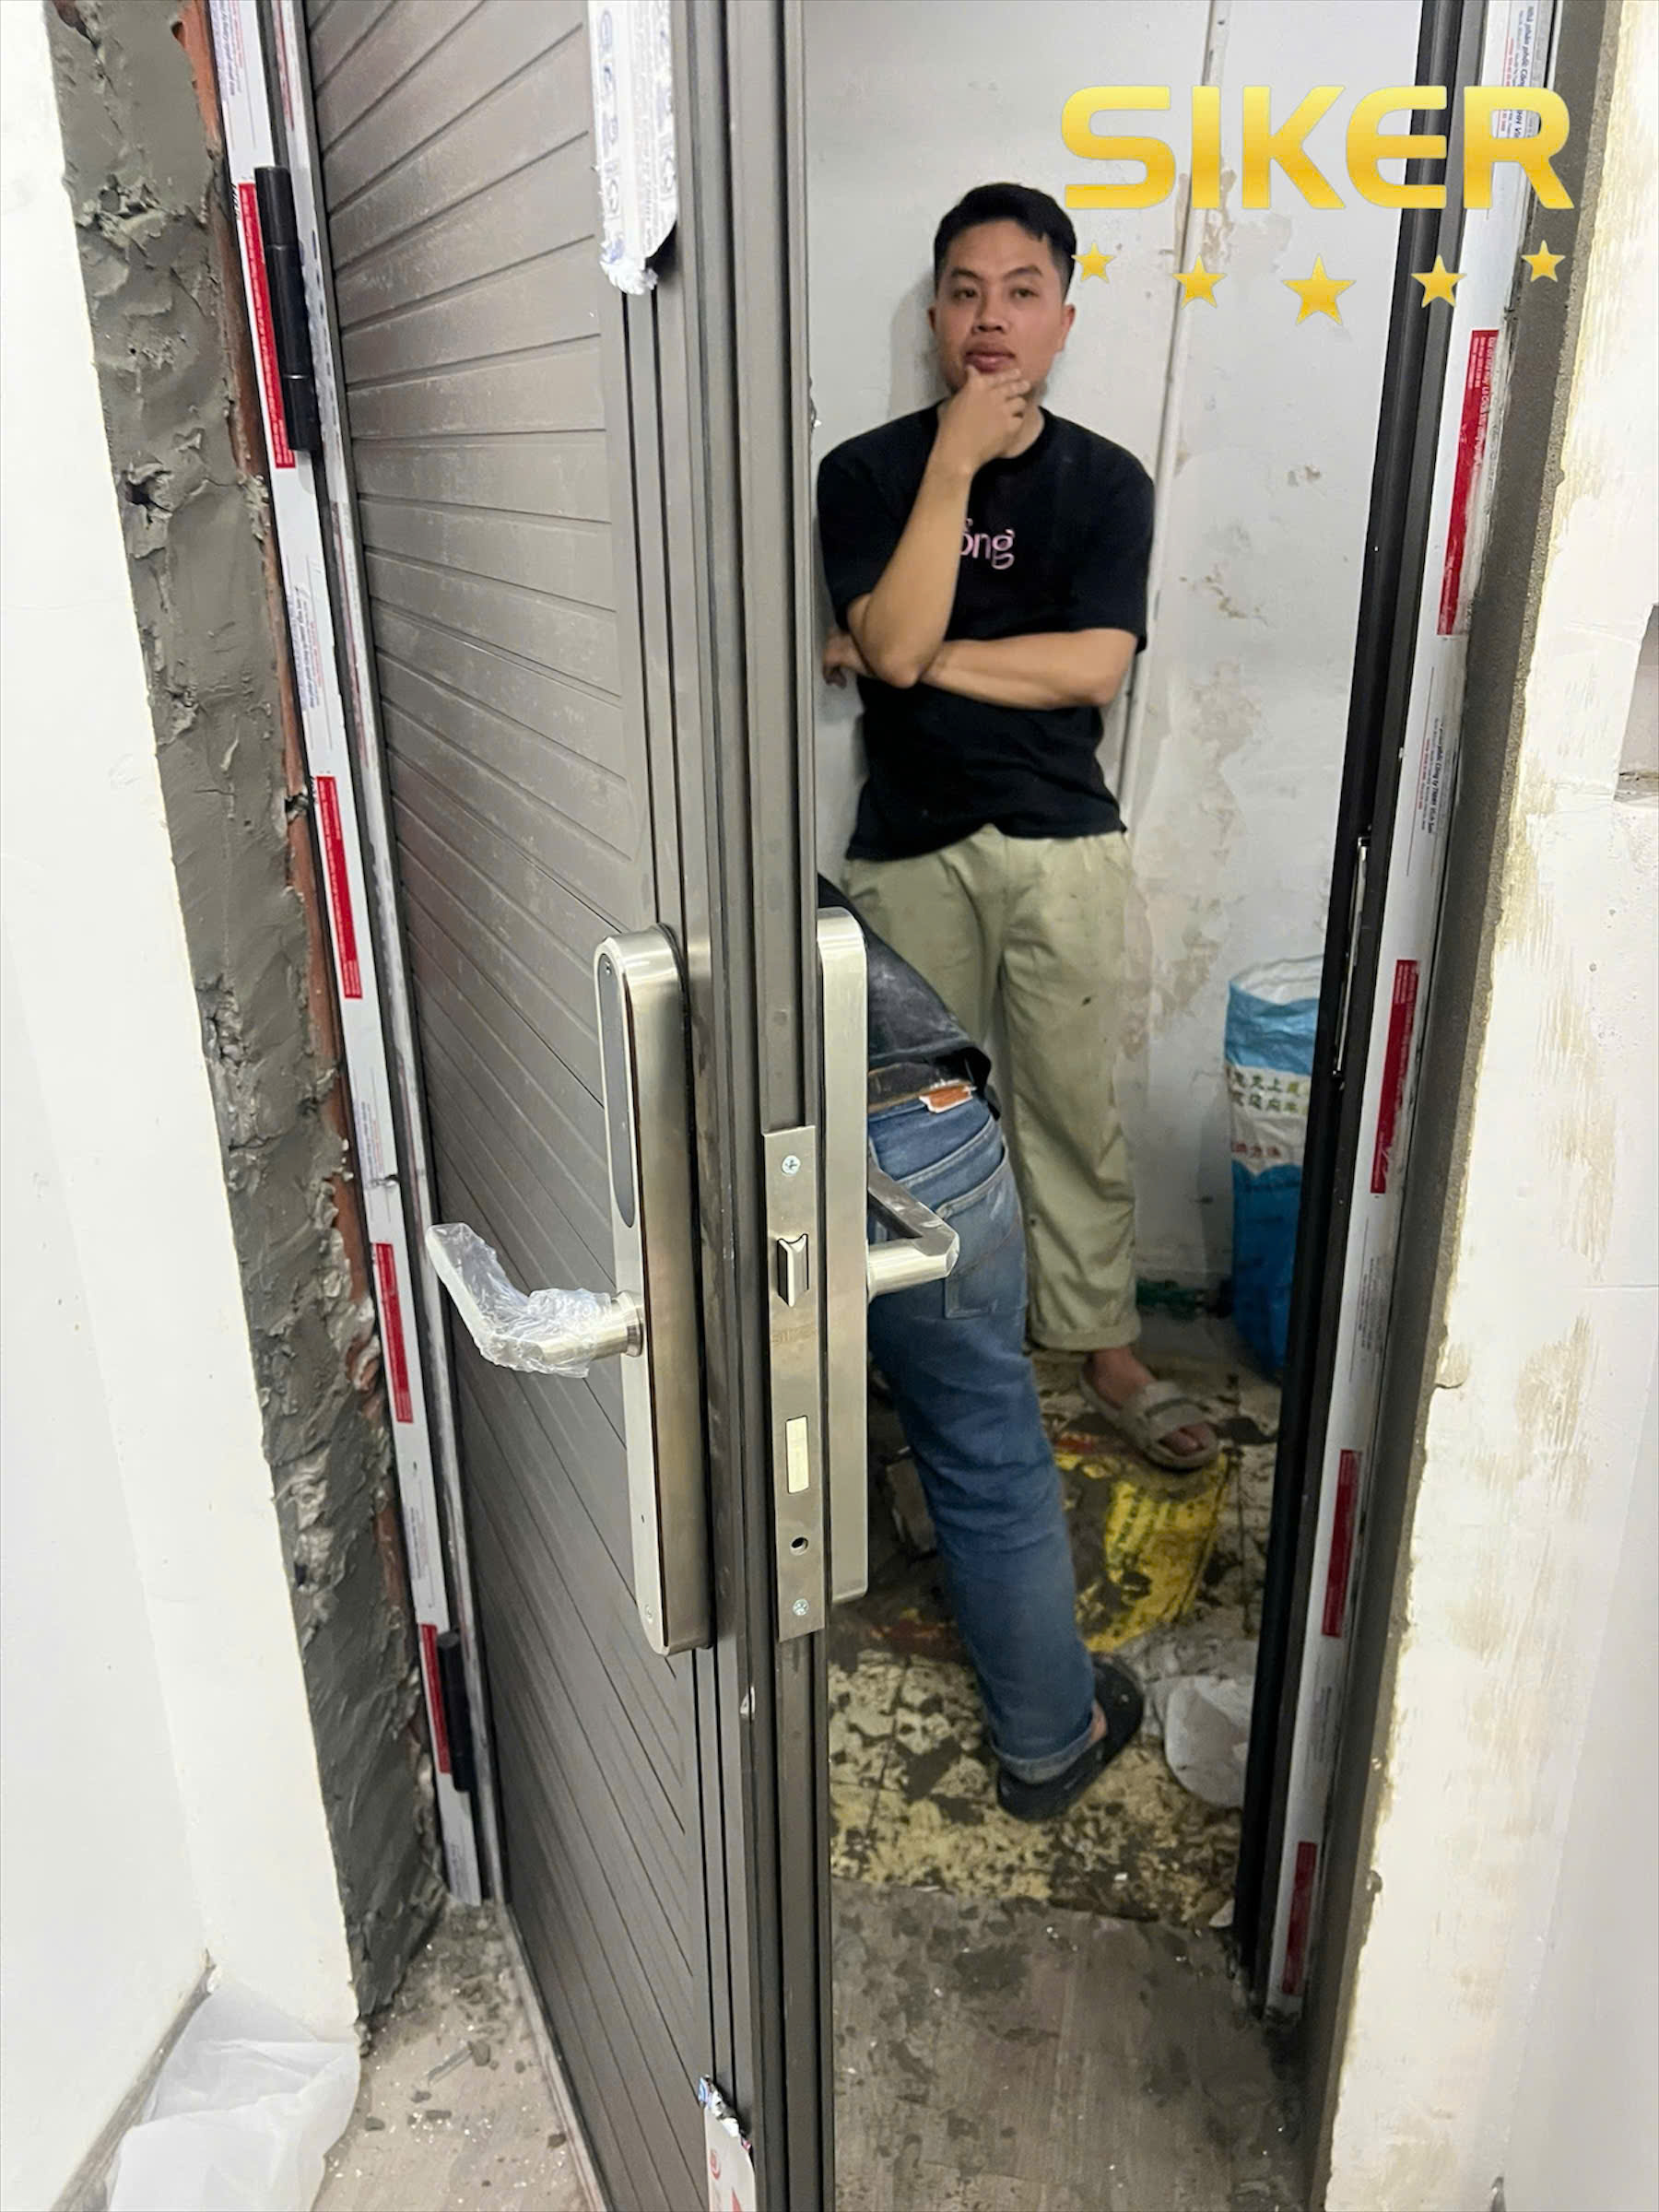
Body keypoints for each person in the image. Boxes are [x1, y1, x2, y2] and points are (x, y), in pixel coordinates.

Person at [818, 182, 1218, 1473]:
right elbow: (893, 639)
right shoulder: (867, 473)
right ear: (937, 316)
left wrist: (916, 660)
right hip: (909, 841)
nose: (992, 317)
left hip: (1061, 840)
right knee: (910, 1121)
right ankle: (920, 1366)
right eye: (966, 292)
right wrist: (953, 463)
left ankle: (1102, 1341)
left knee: (1067, 1108)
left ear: (1063, 318)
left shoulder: (1106, 480)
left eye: (1022, 292)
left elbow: (1091, 668)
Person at [821, 876, 1141, 1820]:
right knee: (983, 1453)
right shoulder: (734, 829)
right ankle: (1051, 1745)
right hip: (917, 1135)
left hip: (766, 1166)